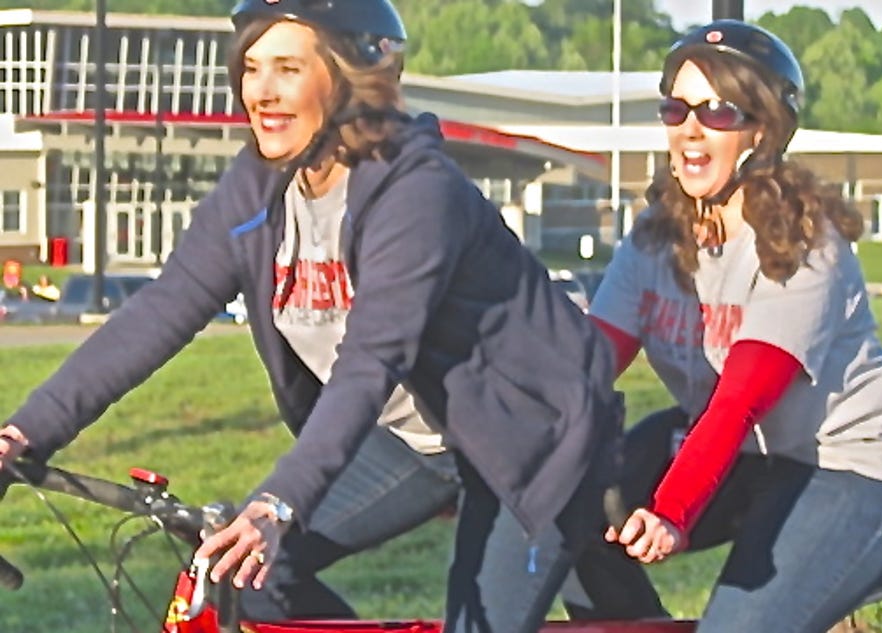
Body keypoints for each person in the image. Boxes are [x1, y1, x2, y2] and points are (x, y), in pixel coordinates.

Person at [0, 1, 622, 631]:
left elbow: (370, 363)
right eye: (250, 67)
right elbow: (159, 313)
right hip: (413, 442)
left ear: (353, 74)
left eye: (289, 68)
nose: (262, 93)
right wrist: (22, 435)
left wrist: (279, 502)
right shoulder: (258, 187)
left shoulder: (415, 192)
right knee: (240, 577)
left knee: (482, 622)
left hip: (529, 437)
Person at [564, 20, 882, 632]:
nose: (690, 130)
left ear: (762, 130)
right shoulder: (656, 237)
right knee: (560, 516)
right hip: (740, 455)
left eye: (719, 112)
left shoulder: (802, 244)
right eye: (676, 108)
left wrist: (673, 511)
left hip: (843, 470)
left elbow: (738, 402)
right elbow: (588, 364)